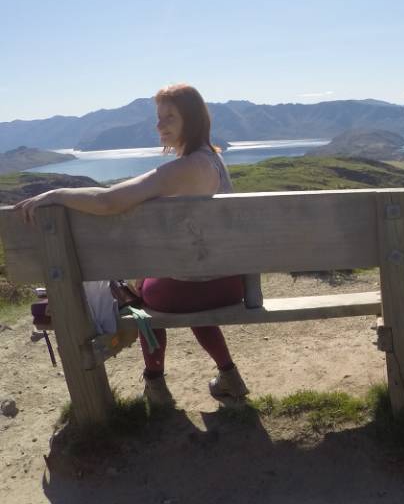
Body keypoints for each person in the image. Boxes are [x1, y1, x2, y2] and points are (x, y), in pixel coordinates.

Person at [16, 84, 248, 409]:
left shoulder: (185, 168)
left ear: (192, 120)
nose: (159, 125)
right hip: (230, 284)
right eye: (158, 117)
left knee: (140, 301)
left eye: (169, 117)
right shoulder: (213, 160)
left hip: (196, 288)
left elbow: (111, 201)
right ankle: (229, 376)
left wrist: (56, 195)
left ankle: (155, 385)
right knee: (184, 286)